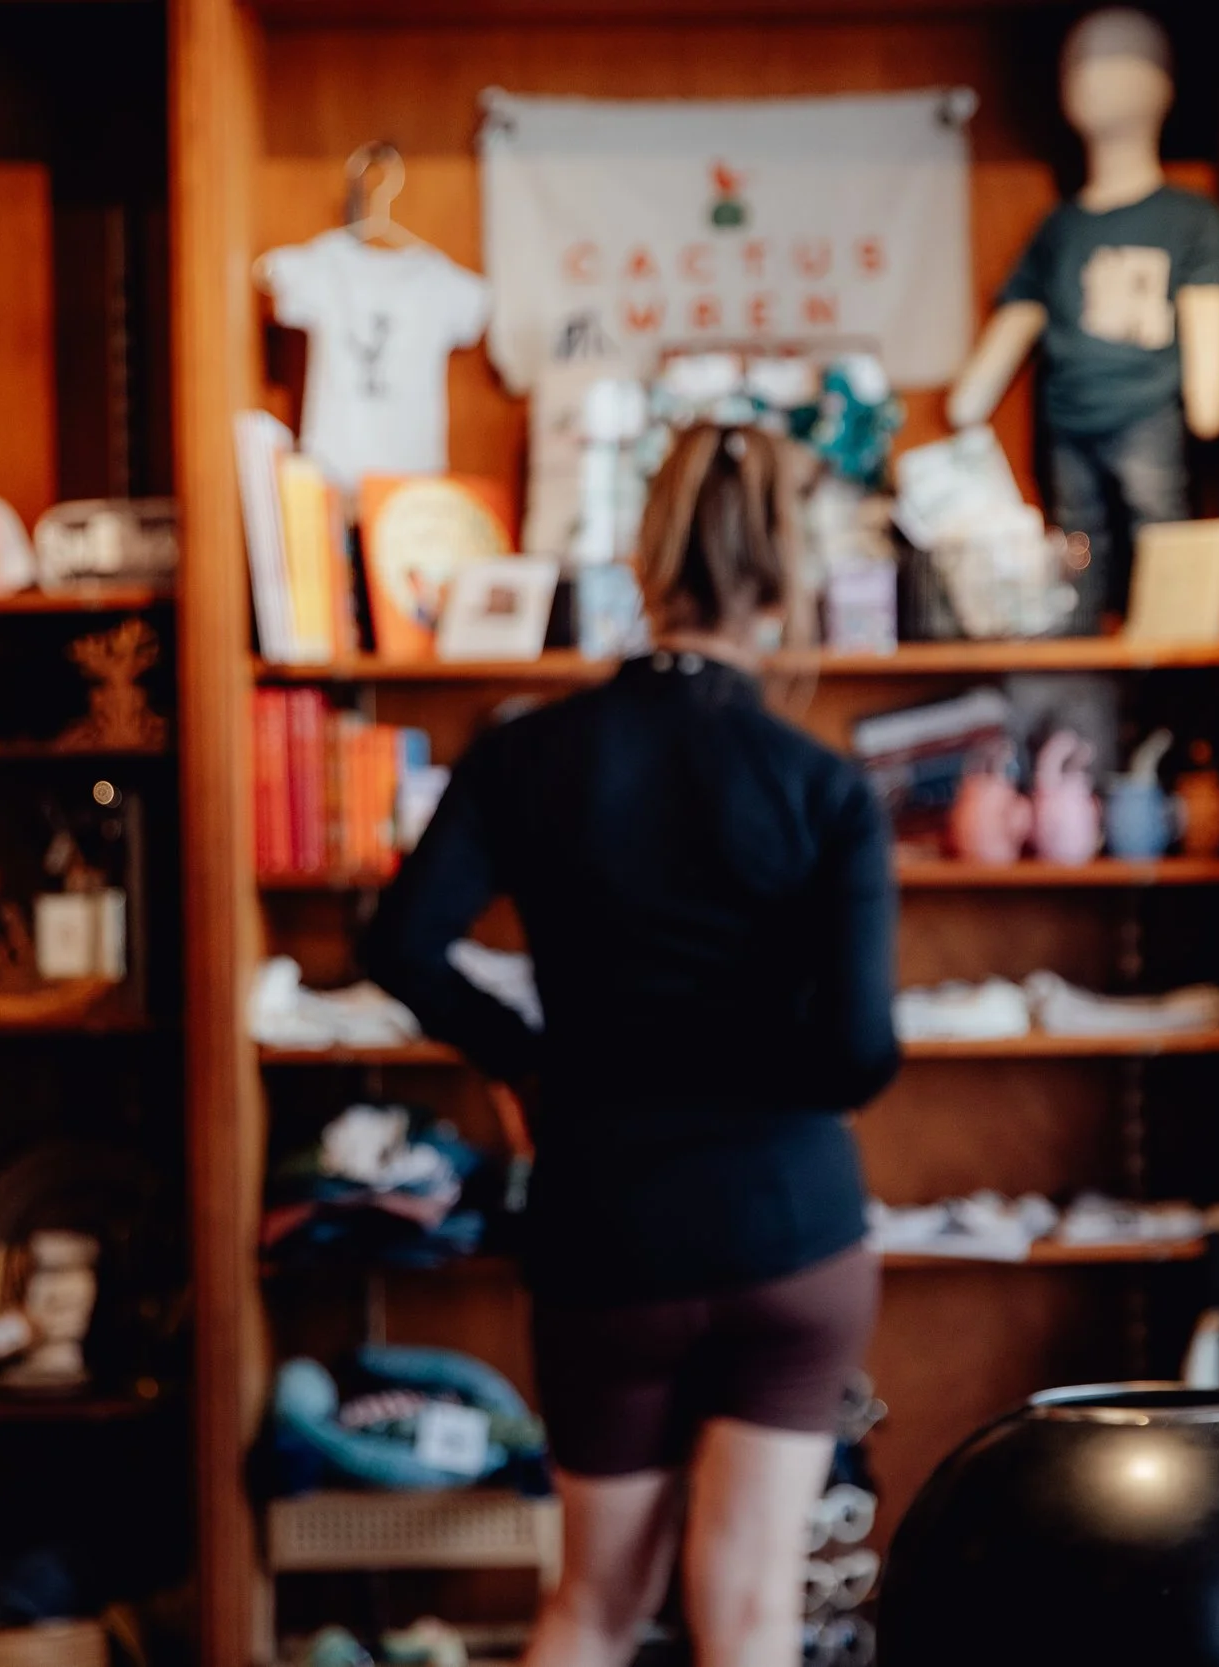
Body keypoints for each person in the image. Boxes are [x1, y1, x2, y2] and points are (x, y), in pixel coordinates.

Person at [364, 424, 902, 1667]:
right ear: (784, 582)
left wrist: (527, 1057)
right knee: (750, 1614)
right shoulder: (821, 785)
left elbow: (401, 943)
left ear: (643, 563)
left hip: (605, 1221)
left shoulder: (524, 752)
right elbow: (859, 1052)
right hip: (787, 1224)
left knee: (593, 1606)